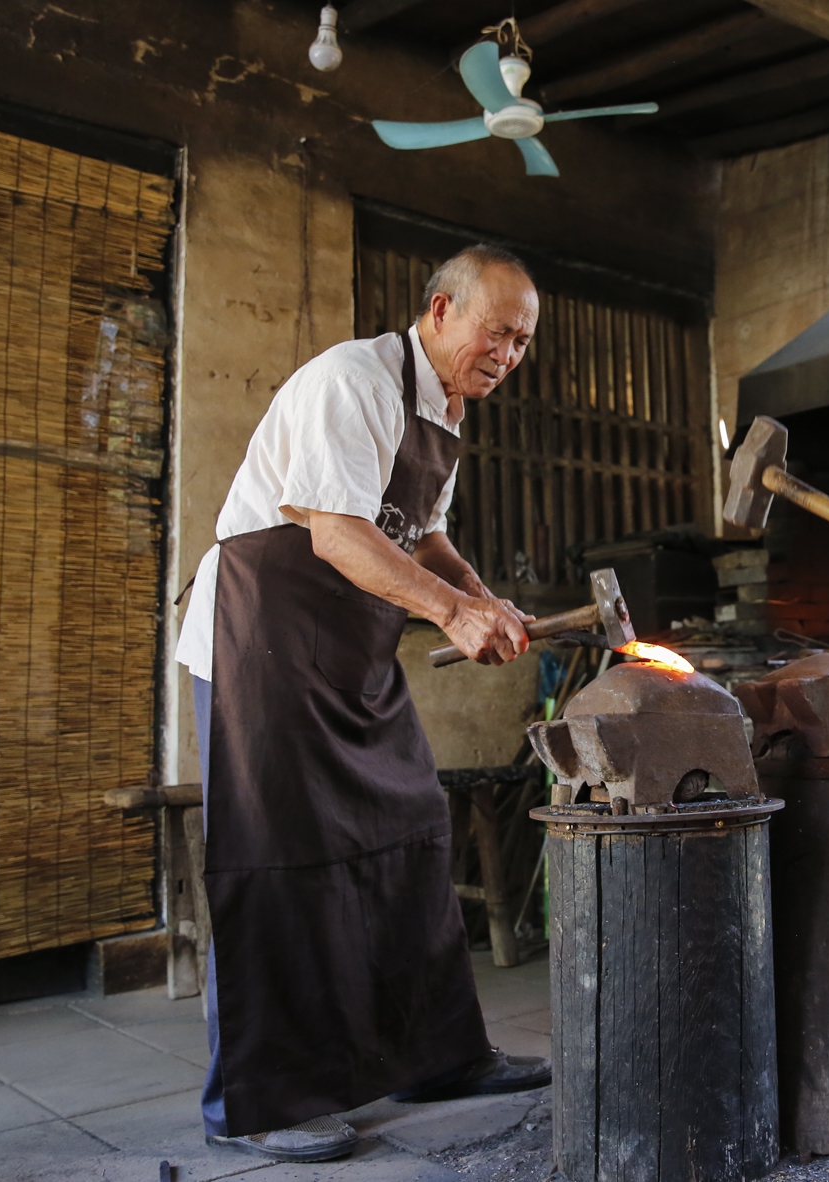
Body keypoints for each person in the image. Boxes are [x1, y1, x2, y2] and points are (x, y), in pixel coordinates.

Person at [174, 244, 551, 1163]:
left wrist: (481, 594)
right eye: (495, 332)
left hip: (347, 647)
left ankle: (436, 1056)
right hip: (262, 637)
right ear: (439, 311)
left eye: (522, 342)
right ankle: (260, 1104)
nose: (506, 354)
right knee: (277, 859)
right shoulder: (356, 380)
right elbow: (339, 533)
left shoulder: (447, 412)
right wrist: (455, 616)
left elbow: (419, 537)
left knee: (413, 825)